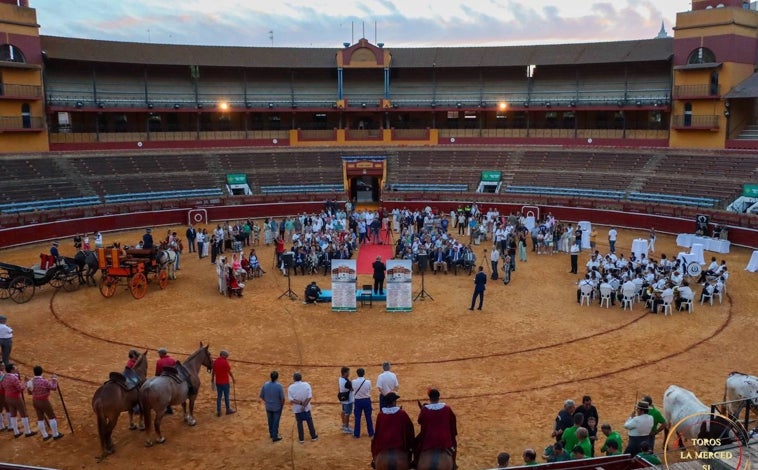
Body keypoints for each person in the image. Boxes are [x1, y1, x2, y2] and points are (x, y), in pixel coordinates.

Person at [415, 388, 458, 469]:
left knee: (415, 446)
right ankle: (454, 464)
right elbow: (453, 422)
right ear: (439, 397)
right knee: (454, 446)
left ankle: (415, 462)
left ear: (430, 398)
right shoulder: (447, 409)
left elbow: (420, 421)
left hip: (429, 438)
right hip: (444, 439)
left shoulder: (425, 410)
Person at [371, 391, 415, 469]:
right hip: (399, 445)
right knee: (411, 446)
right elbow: (410, 428)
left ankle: (374, 461)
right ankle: (410, 461)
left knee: (373, 442)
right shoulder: (402, 413)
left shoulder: (381, 414)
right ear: (394, 402)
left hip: (384, 445)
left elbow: (378, 431)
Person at [28, 365, 64, 441]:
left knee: (40, 418)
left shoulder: (31, 381)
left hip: (35, 401)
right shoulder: (44, 381)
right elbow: (54, 387)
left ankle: (45, 435)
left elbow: (29, 392)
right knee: (51, 417)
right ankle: (55, 434)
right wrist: (54, 379)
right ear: (42, 372)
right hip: (44, 401)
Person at [1, 363, 36, 437]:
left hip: (7, 397)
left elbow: (2, 387)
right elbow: (20, 389)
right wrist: (26, 382)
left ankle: (16, 432)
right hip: (16, 397)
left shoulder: (3, 376)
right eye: (15, 368)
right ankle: (27, 432)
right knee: (24, 414)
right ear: (12, 370)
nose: (16, 369)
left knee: (13, 415)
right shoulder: (13, 378)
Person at [288, 371, 318, 443]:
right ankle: (313, 436)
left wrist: (301, 403)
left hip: (297, 409)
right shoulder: (306, 385)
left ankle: (301, 439)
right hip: (306, 407)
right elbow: (309, 397)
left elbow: (291, 400)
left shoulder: (291, 387)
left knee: (299, 423)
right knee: (309, 421)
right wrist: (304, 405)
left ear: (294, 379)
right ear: (301, 378)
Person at [259, 371, 285, 442]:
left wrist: (267, 401)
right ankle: (275, 436)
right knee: (276, 421)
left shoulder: (265, 385)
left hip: (268, 406)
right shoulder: (279, 386)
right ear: (277, 377)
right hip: (277, 407)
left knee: (270, 420)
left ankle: (271, 433)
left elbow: (262, 396)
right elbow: (282, 398)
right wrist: (281, 405)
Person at [211, 350, 236, 417]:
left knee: (219, 396)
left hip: (218, 382)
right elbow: (229, 372)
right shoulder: (225, 362)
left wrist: (212, 379)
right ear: (223, 355)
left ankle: (219, 411)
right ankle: (228, 410)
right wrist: (233, 378)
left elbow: (213, 372)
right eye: (226, 356)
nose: (226, 357)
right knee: (226, 396)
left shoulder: (215, 362)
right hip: (225, 382)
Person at [352, 367, 374, 438]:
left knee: (357, 418)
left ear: (357, 374)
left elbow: (353, 390)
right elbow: (369, 389)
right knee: (368, 417)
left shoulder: (353, 382)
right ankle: (371, 433)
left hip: (358, 401)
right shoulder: (368, 382)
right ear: (364, 374)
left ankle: (356, 434)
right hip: (366, 400)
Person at [155, 348, 177, 414]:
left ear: (161, 354)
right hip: (172, 379)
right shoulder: (172, 360)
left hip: (163, 380)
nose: (158, 355)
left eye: (159, 353)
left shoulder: (159, 361)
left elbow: (157, 373)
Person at [338, 366, 354, 434]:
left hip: (343, 398)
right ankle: (346, 428)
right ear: (344, 373)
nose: (349, 373)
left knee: (343, 411)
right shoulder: (346, 383)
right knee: (347, 413)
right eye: (348, 372)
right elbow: (352, 389)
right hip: (348, 400)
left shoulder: (340, 379)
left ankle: (344, 424)